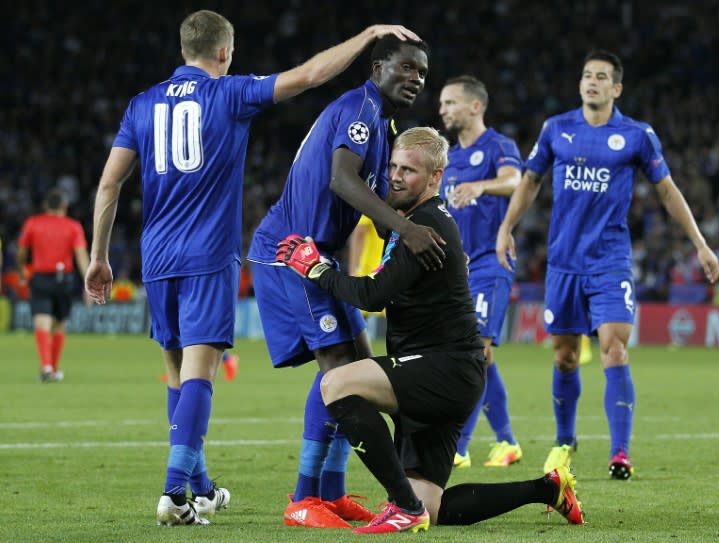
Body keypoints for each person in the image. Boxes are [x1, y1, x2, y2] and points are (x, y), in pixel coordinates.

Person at [83, 9, 422, 526]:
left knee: (179, 373)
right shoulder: (229, 93)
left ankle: (204, 484)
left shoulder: (141, 104)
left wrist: (99, 256)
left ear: (183, 51)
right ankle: (180, 492)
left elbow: (109, 185)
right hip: (214, 252)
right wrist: (369, 33)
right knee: (209, 371)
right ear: (225, 53)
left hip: (156, 253)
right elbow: (308, 76)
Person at [276, 127, 584, 533]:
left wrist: (317, 269)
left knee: (336, 384)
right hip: (447, 372)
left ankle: (402, 506)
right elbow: (368, 202)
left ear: (436, 178)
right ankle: (548, 489)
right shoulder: (409, 221)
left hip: (442, 370)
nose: (397, 176)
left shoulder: (425, 229)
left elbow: (372, 294)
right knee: (434, 505)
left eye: (409, 170)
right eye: (393, 166)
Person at [247, 35, 444, 529]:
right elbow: (342, 180)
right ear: (378, 67)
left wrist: (422, 229)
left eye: (422, 73)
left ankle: (331, 493)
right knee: (336, 369)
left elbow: (379, 207)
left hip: (320, 253)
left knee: (356, 364)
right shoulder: (360, 106)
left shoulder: (383, 124)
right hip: (293, 251)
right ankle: (303, 497)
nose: (415, 79)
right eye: (406, 68)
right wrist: (406, 229)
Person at [496, 50, 719, 480]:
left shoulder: (637, 135)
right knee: (563, 357)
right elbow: (530, 182)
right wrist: (506, 227)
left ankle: (620, 453)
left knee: (614, 349)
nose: (591, 82)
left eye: (601, 77)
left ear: (616, 87)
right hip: (563, 263)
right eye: (586, 75)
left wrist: (701, 244)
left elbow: (668, 192)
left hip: (610, 262)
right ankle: (565, 440)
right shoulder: (556, 129)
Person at [438, 75, 523, 469]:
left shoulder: (499, 147)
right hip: (458, 270)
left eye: (451, 103)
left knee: (475, 350)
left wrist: (482, 186)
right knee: (481, 357)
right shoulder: (448, 159)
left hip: (492, 261)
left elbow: (515, 181)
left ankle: (458, 446)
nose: (443, 110)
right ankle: (506, 441)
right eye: (442, 104)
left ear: (475, 106)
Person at [17, 188, 89, 382]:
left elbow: (22, 251)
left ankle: (47, 367)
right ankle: (53, 368)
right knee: (58, 325)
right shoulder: (73, 226)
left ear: (45, 206)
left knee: (42, 322)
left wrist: (22, 268)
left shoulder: (32, 223)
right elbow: (80, 255)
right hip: (63, 279)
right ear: (64, 206)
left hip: (40, 277)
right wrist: (87, 282)